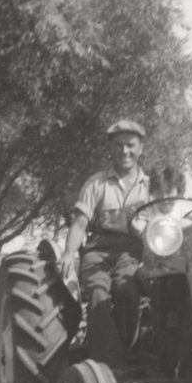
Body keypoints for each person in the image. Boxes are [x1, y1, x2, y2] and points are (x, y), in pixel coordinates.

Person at [61, 118, 150, 368]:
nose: (125, 151)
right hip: (97, 252)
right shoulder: (96, 184)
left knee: (128, 291)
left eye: (130, 145)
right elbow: (79, 224)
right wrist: (69, 254)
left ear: (140, 148)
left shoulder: (149, 187)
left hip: (131, 254)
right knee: (98, 292)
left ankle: (124, 350)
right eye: (119, 145)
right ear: (111, 148)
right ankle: (107, 362)